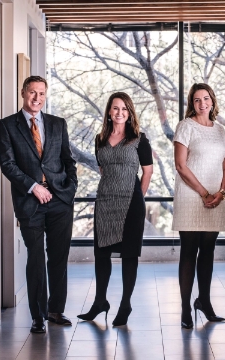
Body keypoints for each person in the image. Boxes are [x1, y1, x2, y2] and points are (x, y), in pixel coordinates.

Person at [0, 75, 77, 334]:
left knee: (58, 257)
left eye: (42, 93)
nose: (37, 98)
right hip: (29, 202)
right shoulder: (8, 125)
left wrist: (70, 190)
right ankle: (37, 316)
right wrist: (34, 187)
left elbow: (68, 160)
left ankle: (55, 310)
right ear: (23, 93)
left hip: (60, 201)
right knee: (35, 258)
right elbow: (7, 164)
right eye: (33, 92)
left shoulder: (57, 124)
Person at [77, 92, 153, 326]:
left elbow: (147, 171)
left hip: (131, 202)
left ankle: (125, 304)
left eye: (124, 109)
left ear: (129, 113)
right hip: (105, 201)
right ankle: (100, 302)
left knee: (129, 255)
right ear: (109, 112)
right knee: (102, 253)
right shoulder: (100, 139)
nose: (120, 113)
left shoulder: (140, 139)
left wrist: (136, 196)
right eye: (115, 108)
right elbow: (103, 170)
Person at [172, 83, 225, 329]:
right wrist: (204, 193)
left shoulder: (220, 130)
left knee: (208, 251)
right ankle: (185, 307)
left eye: (206, 98)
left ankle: (204, 302)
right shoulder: (185, 126)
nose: (202, 103)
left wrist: (221, 192)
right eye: (197, 100)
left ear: (212, 101)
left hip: (215, 197)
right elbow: (181, 165)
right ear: (191, 103)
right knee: (189, 251)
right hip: (191, 195)